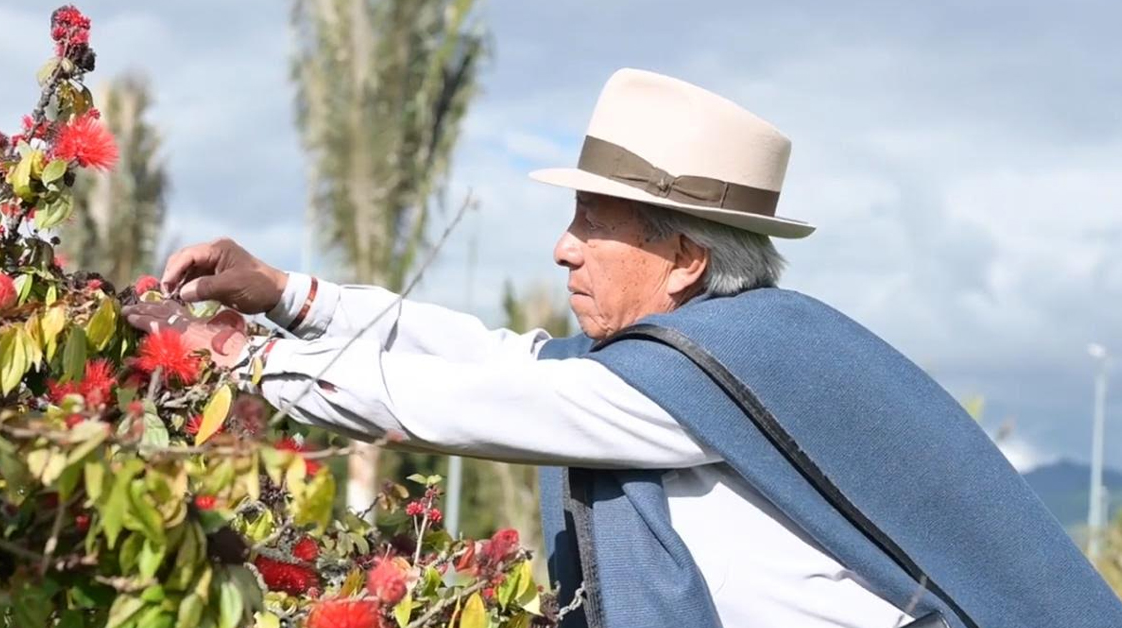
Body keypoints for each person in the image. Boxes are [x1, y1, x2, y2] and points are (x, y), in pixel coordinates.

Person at [124, 69, 1122, 628]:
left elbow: (449, 400)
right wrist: (286, 296)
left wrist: (232, 357)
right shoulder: (726, 358)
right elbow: (502, 361)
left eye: (593, 222)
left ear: (684, 260)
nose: (562, 245)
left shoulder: (689, 381)